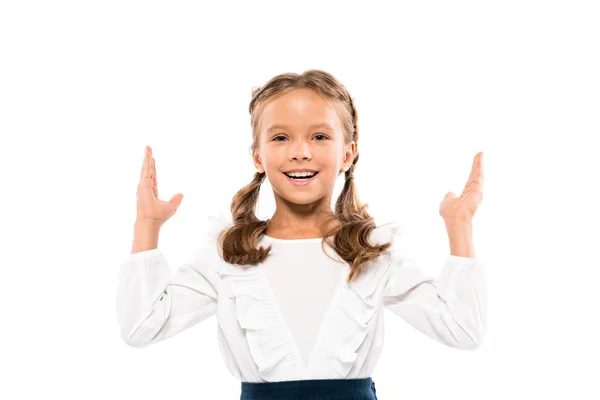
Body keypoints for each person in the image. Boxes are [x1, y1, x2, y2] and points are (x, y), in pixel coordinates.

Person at [116, 69, 487, 400]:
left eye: (320, 136)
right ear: (258, 156)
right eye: (280, 138)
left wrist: (460, 226)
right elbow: (141, 327)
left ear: (347, 153)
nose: (300, 152)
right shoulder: (227, 254)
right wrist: (146, 224)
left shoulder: (371, 253)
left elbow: (462, 330)